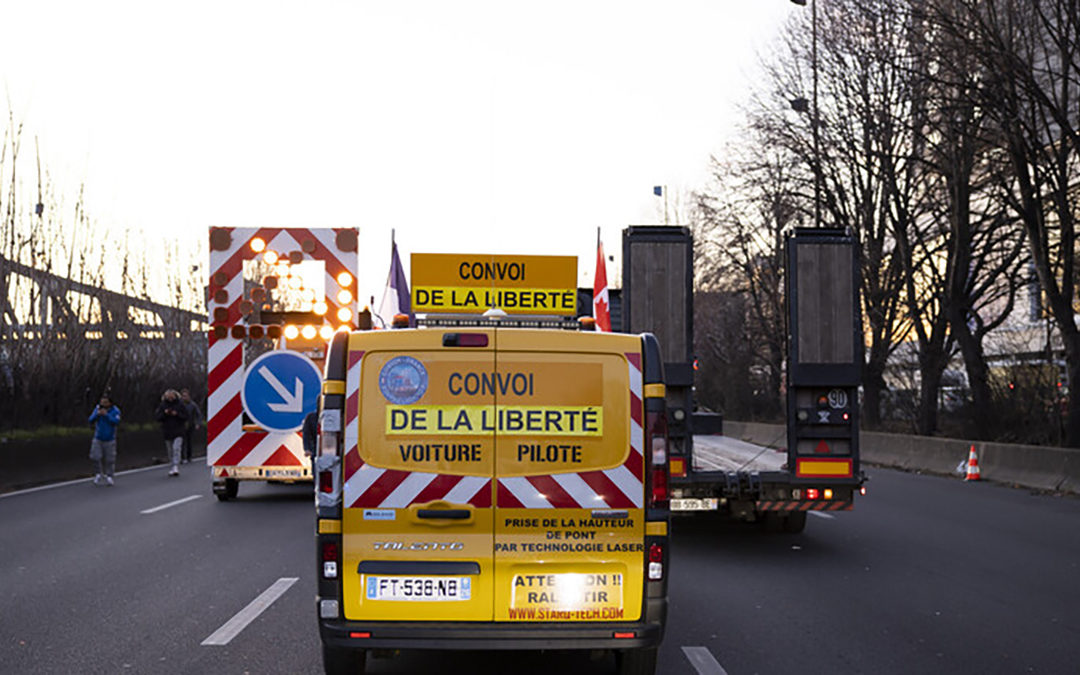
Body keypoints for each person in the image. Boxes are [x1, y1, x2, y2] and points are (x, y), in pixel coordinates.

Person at [88, 395, 121, 486]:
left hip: (110, 439)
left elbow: (116, 422)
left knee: (110, 459)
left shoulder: (115, 410)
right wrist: (97, 414)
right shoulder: (97, 409)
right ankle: (98, 473)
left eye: (105, 402)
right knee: (95, 456)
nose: (103, 404)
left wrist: (106, 415)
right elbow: (90, 419)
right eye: (102, 402)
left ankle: (109, 475)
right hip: (98, 437)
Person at [155, 389, 189, 476]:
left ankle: (176, 465)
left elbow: (186, 416)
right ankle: (172, 465)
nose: (170, 398)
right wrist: (165, 413)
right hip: (167, 431)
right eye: (168, 396)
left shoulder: (180, 404)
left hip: (178, 430)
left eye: (171, 396)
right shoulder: (162, 405)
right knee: (170, 450)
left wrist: (177, 414)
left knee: (176, 448)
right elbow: (158, 417)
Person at [180, 388, 203, 464]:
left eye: (186, 396)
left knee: (189, 441)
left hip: (190, 425)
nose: (184, 397)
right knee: (182, 442)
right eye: (183, 396)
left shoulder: (192, 405)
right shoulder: (179, 404)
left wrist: (198, 423)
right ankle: (182, 457)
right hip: (181, 425)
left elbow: (198, 414)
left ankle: (189, 456)